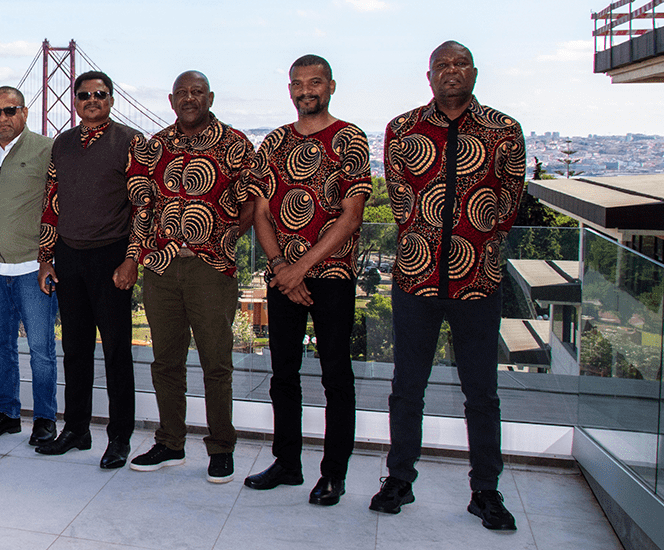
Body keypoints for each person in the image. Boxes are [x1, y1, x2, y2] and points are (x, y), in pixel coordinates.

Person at [371, 41, 524, 532]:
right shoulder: (403, 129)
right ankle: (399, 479)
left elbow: (508, 203)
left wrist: (474, 244)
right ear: (429, 75)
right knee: (406, 388)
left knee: (482, 392)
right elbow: (400, 203)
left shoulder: (503, 130)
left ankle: (486, 490)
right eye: (442, 65)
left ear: (474, 73)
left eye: (460, 65)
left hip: (478, 280)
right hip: (415, 279)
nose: (451, 72)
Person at [243, 55, 367, 505]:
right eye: (298, 83)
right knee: (283, 375)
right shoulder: (275, 141)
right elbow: (260, 212)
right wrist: (281, 267)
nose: (305, 90)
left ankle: (334, 474)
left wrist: (300, 268)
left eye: (315, 82)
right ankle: (287, 463)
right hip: (283, 277)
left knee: (337, 377)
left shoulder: (351, 138)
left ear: (331, 86)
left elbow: (351, 217)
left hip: (333, 276)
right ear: (290, 90)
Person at [126, 71, 254, 483]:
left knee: (216, 362)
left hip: (210, 269)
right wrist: (137, 256)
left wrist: (226, 239)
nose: (189, 98)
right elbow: (143, 206)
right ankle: (170, 443)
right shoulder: (154, 146)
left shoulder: (235, 144)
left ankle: (221, 447)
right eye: (181, 93)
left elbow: (252, 202)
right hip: (161, 268)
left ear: (210, 97)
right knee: (166, 361)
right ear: (170, 100)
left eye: (197, 92)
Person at [33, 71, 142, 469]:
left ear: (111, 99)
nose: (91, 100)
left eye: (100, 94)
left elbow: (142, 207)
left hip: (112, 256)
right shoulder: (62, 144)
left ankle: (120, 438)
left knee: (116, 352)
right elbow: (52, 201)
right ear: (75, 101)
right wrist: (46, 257)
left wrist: (132, 259)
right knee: (75, 350)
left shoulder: (130, 141)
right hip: (69, 255)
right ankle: (76, 430)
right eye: (84, 95)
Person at [0, 86, 58, 445]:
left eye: (10, 110)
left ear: (24, 112)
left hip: (32, 268)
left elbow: (58, 204)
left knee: (41, 350)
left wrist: (48, 257)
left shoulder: (46, 149)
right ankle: (7, 413)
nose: (3, 118)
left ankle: (45, 418)